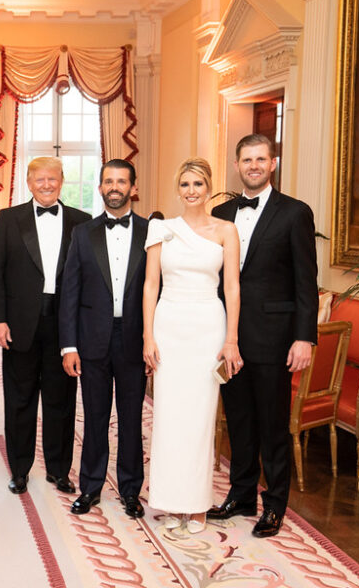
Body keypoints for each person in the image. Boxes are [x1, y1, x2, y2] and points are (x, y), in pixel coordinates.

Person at [208, 134, 319, 538]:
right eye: (246, 159)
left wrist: (304, 338)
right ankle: (240, 495)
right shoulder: (219, 212)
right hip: (227, 338)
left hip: (275, 339)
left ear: (273, 164)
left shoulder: (295, 213)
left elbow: (307, 282)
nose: (253, 166)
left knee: (273, 426)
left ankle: (274, 505)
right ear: (236, 165)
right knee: (238, 420)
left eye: (260, 159)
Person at [142, 158, 241, 533]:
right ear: (177, 189)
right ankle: (169, 501)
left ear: (209, 187)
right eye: (185, 184)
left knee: (200, 418)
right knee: (168, 417)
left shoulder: (226, 231)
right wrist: (148, 336)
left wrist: (231, 339)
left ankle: (197, 505)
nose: (191, 191)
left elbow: (231, 287)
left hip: (207, 327)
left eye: (198, 184)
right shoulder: (162, 229)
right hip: (169, 325)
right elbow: (151, 285)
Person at [0, 156, 90, 495]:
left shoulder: (81, 221)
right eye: (40, 179)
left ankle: (59, 470)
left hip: (65, 325)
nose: (47, 185)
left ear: (62, 181)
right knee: (20, 399)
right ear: (28, 183)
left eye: (53, 179)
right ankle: (19, 469)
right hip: (19, 324)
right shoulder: (8, 218)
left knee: (61, 400)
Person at [59, 159, 148, 517]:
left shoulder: (151, 232)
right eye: (108, 181)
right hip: (91, 340)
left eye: (121, 181)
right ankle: (90, 487)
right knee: (94, 417)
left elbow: (157, 293)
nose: (115, 187)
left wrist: (155, 343)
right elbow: (70, 292)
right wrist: (69, 345)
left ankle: (130, 490)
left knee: (131, 419)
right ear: (100, 188)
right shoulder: (83, 233)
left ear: (133, 188)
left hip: (135, 341)